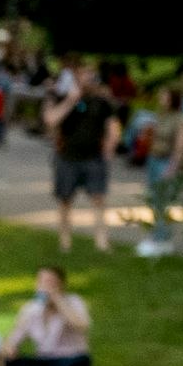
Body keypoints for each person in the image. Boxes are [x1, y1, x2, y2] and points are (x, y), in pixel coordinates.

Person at [45, 75, 120, 254]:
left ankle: (101, 241)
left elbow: (113, 126)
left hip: (94, 158)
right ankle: (65, 241)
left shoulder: (102, 103)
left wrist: (110, 147)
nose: (88, 82)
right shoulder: (63, 99)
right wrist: (71, 101)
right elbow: (50, 120)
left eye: (91, 78)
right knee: (65, 200)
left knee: (99, 199)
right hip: (67, 157)